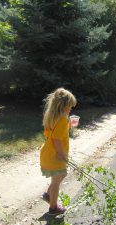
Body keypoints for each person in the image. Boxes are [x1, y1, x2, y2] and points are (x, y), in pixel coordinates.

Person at [40, 88, 77, 216]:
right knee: (56, 181)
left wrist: (70, 124)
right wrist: (61, 154)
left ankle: (48, 194)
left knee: (62, 174)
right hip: (55, 154)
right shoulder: (62, 119)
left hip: (48, 152)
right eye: (70, 106)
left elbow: (53, 132)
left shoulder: (51, 115)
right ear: (63, 105)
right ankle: (53, 208)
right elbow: (57, 138)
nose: (71, 109)